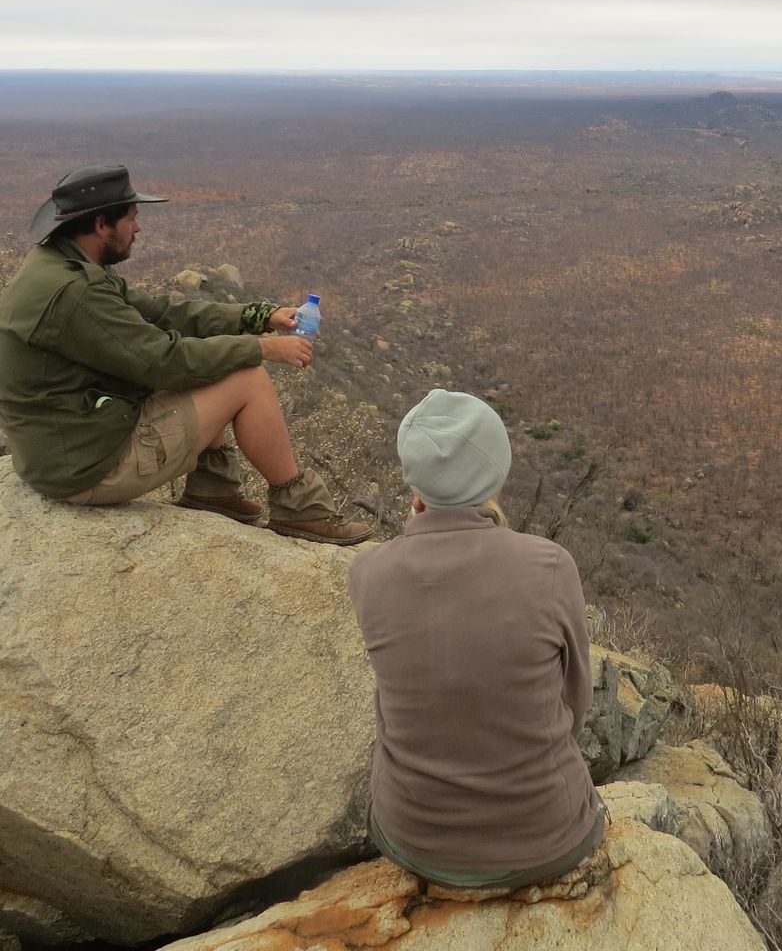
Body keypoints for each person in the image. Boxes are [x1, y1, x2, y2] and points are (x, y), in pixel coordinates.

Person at [0, 164, 372, 545]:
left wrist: (259, 316)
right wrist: (263, 347)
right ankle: (301, 509)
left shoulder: (61, 264)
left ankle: (214, 490)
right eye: (132, 217)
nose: (138, 228)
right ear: (100, 224)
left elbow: (164, 313)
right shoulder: (76, 293)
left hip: (67, 448)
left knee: (214, 366)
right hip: (87, 467)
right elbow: (166, 362)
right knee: (249, 378)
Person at [347, 389, 605, 888]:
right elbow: (575, 703)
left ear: (414, 482)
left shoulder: (368, 571)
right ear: (496, 476)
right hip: (547, 840)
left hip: (411, 840)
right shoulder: (549, 566)